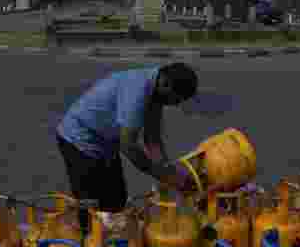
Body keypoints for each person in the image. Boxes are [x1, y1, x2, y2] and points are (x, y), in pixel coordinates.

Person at [56, 63, 200, 234]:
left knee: (116, 200)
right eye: (176, 99)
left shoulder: (156, 89)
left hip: (105, 143)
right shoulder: (137, 92)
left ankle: (117, 246)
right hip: (78, 140)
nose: (175, 104)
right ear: (166, 84)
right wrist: (161, 174)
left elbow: (152, 139)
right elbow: (129, 146)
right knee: (91, 205)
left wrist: (169, 171)